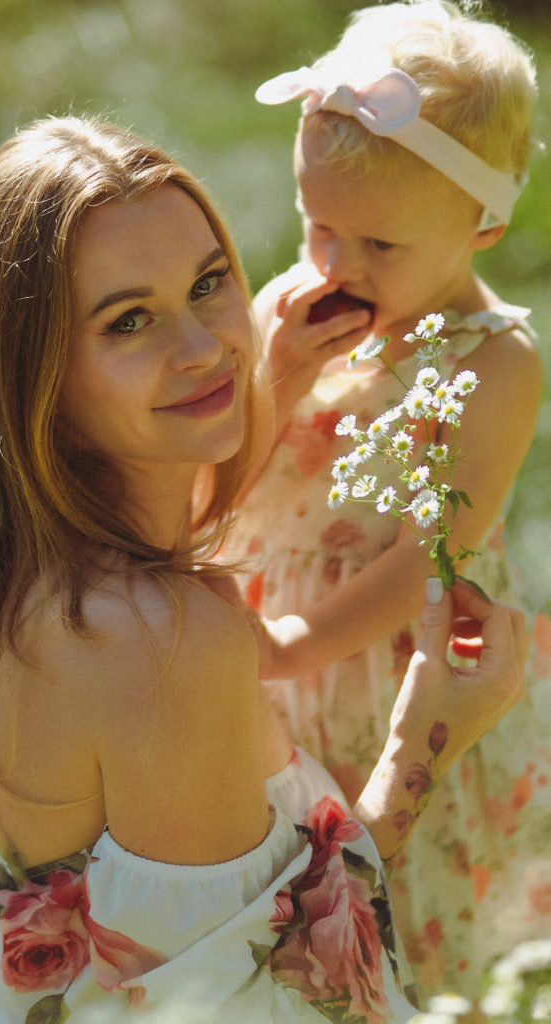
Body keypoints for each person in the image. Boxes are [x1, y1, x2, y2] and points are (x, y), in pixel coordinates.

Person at [0, 114, 526, 1024]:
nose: (205, 345)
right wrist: (423, 746)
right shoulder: (161, 643)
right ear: (36, 378)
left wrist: (274, 385)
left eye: (209, 283)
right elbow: (266, 1007)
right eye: (130, 320)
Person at [221, 0, 551, 1002]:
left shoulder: (492, 362)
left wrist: (288, 643)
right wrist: (272, 370)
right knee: (264, 917)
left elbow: (427, 559)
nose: (338, 265)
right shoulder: (290, 308)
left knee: (392, 921)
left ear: (481, 223)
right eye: (320, 225)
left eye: (379, 245)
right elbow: (219, 465)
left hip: (384, 675)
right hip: (259, 660)